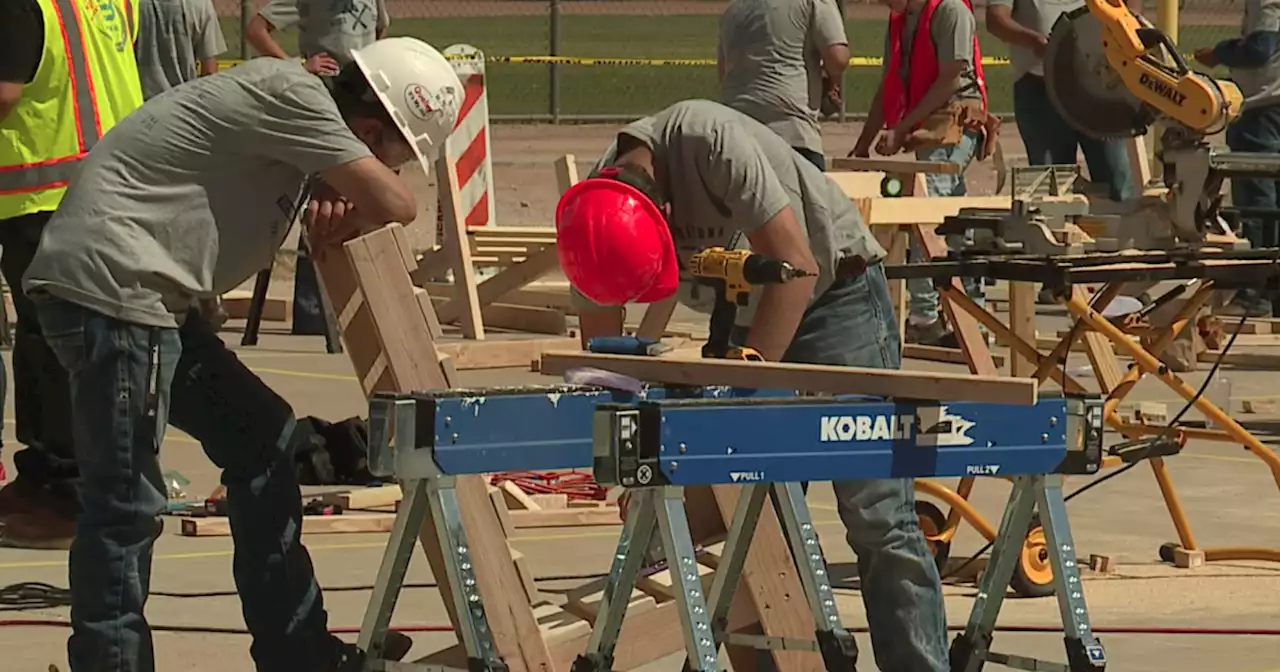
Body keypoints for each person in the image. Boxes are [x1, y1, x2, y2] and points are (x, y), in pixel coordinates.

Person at [21, 37, 463, 672]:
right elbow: (399, 205)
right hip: (115, 295)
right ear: (370, 129)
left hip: (154, 302)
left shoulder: (303, 110)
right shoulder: (297, 99)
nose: (391, 169)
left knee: (266, 440)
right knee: (125, 503)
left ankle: (297, 652)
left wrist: (334, 179)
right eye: (393, 155)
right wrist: (357, 182)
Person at [557, 99, 950, 672]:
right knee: (747, 511)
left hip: (831, 294)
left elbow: (798, 266)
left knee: (876, 512)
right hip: (746, 314)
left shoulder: (711, 141)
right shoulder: (600, 211)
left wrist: (742, 403)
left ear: (661, 203)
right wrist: (627, 446)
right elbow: (604, 353)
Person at [0, 0, 145, 548]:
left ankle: (67, 494)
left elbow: (6, 92)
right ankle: (45, 477)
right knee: (49, 346)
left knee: (58, 351)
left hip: (43, 193)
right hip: (104, 187)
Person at [246, 0, 392, 336]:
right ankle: (313, 314)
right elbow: (256, 30)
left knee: (360, 200)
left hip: (362, 102)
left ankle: (359, 306)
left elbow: (380, 28)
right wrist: (297, 68)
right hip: (323, 102)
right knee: (320, 205)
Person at [852, 0, 991, 347]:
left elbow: (951, 77)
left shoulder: (950, 11)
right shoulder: (901, 19)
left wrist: (900, 128)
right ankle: (968, 314)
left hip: (956, 119)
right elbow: (888, 84)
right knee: (952, 217)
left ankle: (925, 315)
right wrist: (863, 144)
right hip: (926, 121)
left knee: (927, 209)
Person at [135, 0, 230, 326]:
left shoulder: (132, 5)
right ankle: (207, 298)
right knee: (194, 212)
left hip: (139, 115)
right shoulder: (198, 5)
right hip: (184, 116)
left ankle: (152, 292)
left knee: (147, 214)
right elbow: (209, 68)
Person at [1196, 0, 1280, 317]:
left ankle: (1254, 292)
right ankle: (1273, 292)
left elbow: (1260, 48)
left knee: (1257, 202)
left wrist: (1219, 53)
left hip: (1261, 107)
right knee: (1273, 202)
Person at [717, 0, 850, 171]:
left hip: (736, 138)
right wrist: (828, 78)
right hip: (793, 135)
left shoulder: (733, 8)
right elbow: (838, 59)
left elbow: (724, 73)